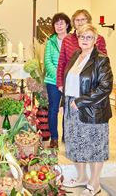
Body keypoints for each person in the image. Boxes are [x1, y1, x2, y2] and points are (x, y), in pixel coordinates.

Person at [62, 24, 113, 196]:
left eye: (89, 37)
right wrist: (67, 102)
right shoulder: (76, 55)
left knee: (94, 147)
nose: (85, 39)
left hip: (92, 109)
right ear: (77, 37)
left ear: (95, 39)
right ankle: (82, 177)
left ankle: (95, 183)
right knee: (76, 144)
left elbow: (105, 87)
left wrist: (82, 101)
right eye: (82, 36)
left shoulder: (101, 59)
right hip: (72, 107)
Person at [56, 9, 107, 142]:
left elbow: (102, 61)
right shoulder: (68, 40)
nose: (80, 22)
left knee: (87, 122)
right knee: (70, 118)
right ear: (73, 23)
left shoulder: (99, 39)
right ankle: (69, 140)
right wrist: (60, 82)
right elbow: (62, 62)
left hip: (89, 85)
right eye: (77, 20)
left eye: (83, 19)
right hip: (71, 81)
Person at [44, 12, 71, 148]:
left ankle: (67, 136)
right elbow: (48, 62)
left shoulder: (73, 40)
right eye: (56, 23)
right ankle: (54, 138)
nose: (59, 26)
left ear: (67, 24)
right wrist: (59, 79)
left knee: (69, 110)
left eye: (62, 23)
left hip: (70, 81)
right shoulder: (50, 41)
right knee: (53, 109)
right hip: (53, 81)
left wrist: (67, 79)